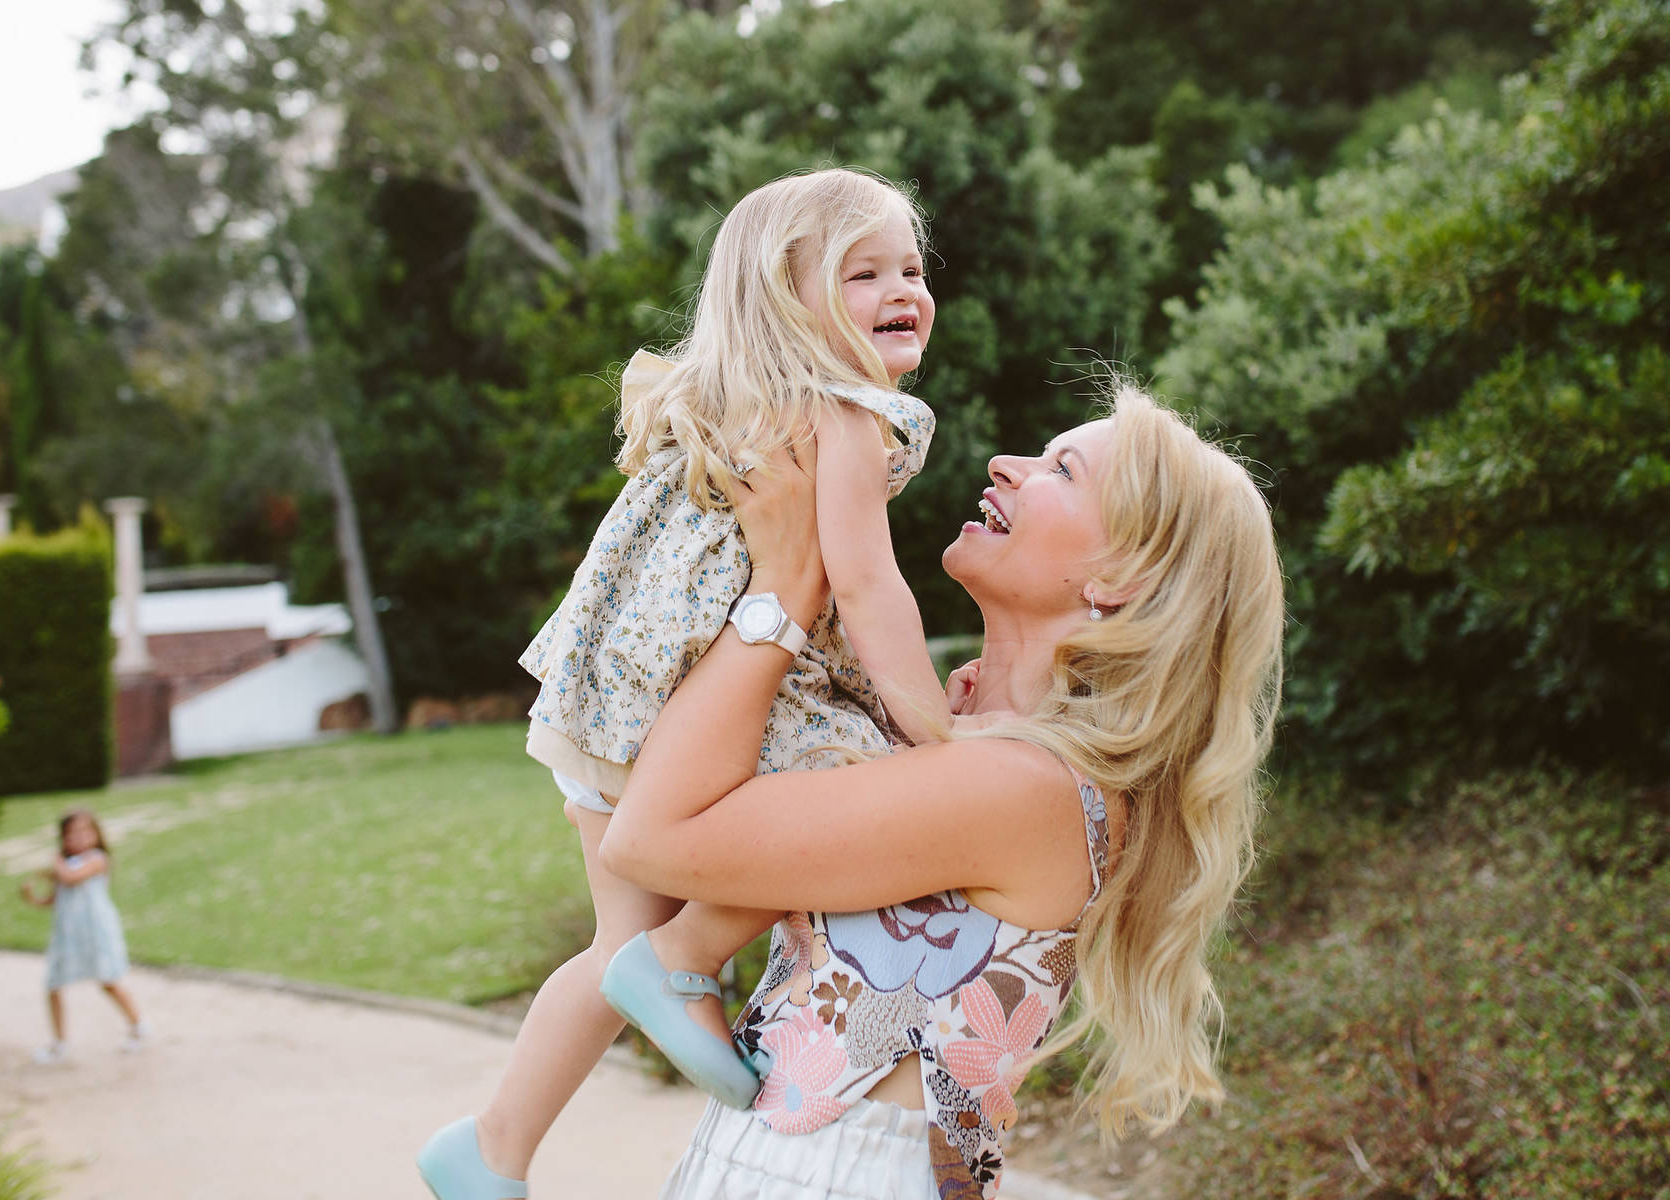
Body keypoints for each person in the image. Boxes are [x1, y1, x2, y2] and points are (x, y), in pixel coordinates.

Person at [600, 383, 1285, 1199]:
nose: (1006, 464)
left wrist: (783, 585)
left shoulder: (1027, 786)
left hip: (838, 1174)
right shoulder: (971, 742)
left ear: (1122, 575)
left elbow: (653, 841)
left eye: (1061, 470)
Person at [419, 167, 951, 1200]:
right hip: (707, 717)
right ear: (780, 300)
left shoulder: (720, 406)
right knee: (868, 786)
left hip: (601, 713)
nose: (904, 289)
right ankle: (691, 955)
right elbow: (872, 591)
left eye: (912, 269)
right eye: (863, 272)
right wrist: (931, 731)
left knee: (617, 942)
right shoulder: (840, 416)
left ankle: (492, 1148)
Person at [19, 809, 147, 1063]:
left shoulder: (97, 859)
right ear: (64, 837)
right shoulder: (64, 866)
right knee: (53, 985)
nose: (79, 837)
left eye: (85, 831)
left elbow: (71, 877)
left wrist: (55, 861)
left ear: (96, 834)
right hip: (69, 936)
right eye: (72, 833)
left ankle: (138, 1025)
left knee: (108, 981)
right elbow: (56, 899)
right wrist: (31, 898)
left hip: (95, 933)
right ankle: (59, 1043)